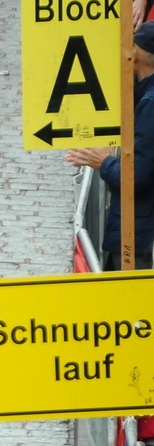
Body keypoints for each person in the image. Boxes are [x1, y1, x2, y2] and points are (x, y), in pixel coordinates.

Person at [67, 22, 154, 268]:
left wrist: (104, 162)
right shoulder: (144, 96)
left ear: (135, 54)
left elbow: (137, 175)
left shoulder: (150, 103)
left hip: (138, 235)